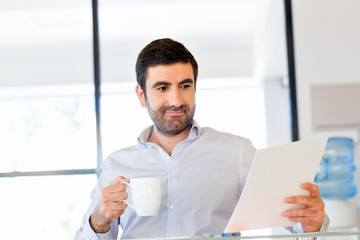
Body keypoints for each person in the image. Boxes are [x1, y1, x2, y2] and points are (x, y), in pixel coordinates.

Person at [75, 38, 329, 240]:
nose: (176, 100)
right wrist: (99, 219)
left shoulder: (236, 152)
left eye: (185, 86)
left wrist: (312, 220)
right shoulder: (117, 165)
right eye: (162, 88)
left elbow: (293, 219)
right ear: (141, 95)